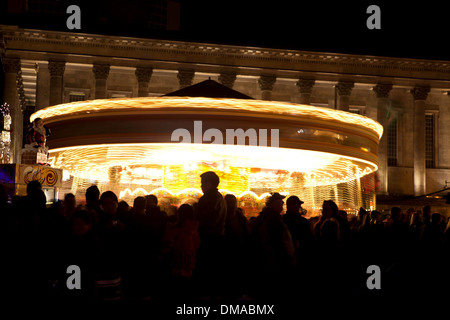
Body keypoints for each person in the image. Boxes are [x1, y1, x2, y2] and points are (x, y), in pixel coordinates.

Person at [249, 192, 295, 299]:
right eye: (280, 202)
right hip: (274, 260)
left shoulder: (267, 217)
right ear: (274, 204)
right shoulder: (273, 219)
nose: (282, 204)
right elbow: (277, 241)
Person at [194, 171, 227, 298]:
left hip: (208, 238)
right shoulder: (219, 197)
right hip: (217, 237)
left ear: (209, 184)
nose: (201, 186)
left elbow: (204, 219)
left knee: (207, 269)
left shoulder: (209, 198)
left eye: (203, 183)